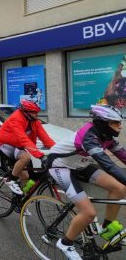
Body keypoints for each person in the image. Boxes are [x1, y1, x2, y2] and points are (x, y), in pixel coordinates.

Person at [47, 105, 126, 260]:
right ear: (103, 123)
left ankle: (107, 227)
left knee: (119, 188)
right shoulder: (89, 137)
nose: (120, 126)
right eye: (115, 123)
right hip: (60, 165)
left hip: (80, 165)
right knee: (88, 213)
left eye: (120, 123)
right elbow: (108, 165)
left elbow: (124, 156)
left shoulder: (106, 137)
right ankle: (65, 243)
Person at [0, 99, 55, 195]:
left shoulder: (34, 121)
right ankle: (10, 179)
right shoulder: (16, 119)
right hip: (3, 143)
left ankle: (21, 203)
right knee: (25, 157)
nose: (37, 114)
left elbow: (46, 138)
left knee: (25, 176)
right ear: (26, 112)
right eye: (34, 112)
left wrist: (58, 151)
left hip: (17, 145)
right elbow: (23, 139)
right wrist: (41, 156)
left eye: (37, 112)